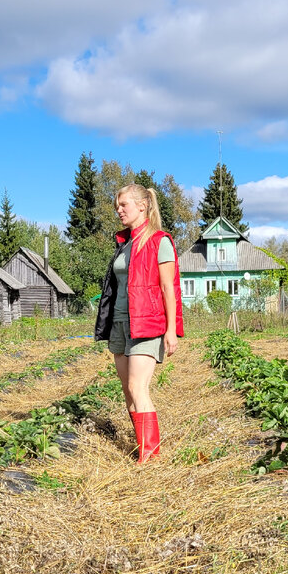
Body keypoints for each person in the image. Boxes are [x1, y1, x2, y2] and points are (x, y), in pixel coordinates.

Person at [93, 183, 184, 463]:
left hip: (147, 323)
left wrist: (171, 331)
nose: (119, 211)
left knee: (137, 387)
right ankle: (142, 446)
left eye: (124, 205)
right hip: (120, 323)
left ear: (142, 206)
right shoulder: (125, 244)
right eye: (117, 206)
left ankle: (150, 456)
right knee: (127, 391)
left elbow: (170, 288)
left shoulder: (159, 241)